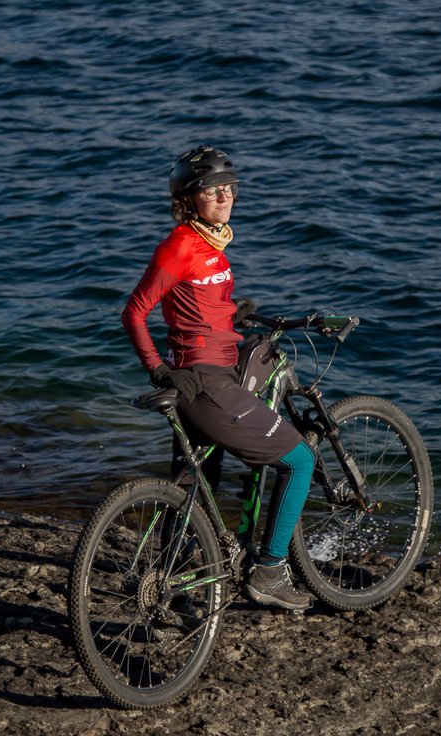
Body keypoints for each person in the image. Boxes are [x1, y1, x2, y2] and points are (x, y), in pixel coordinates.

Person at [121, 144, 316, 611]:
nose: (225, 194)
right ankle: (269, 570)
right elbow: (135, 311)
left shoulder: (210, 245)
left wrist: (232, 311)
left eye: (230, 187)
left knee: (193, 481)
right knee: (301, 461)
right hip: (203, 381)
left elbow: (193, 306)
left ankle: (171, 585)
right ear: (190, 199)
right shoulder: (180, 246)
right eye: (213, 190)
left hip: (207, 372)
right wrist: (157, 369)